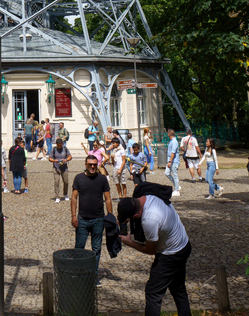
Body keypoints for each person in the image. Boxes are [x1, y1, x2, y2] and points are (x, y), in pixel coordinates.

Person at [118, 186, 191, 316]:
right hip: (183, 244)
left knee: (153, 292)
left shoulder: (150, 219)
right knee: (178, 289)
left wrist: (130, 242)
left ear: (136, 215)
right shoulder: (148, 196)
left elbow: (150, 250)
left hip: (171, 254)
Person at [71, 155, 112, 282]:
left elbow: (108, 198)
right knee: (79, 247)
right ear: (86, 165)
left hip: (98, 219)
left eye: (95, 164)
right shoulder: (79, 178)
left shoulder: (102, 179)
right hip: (82, 219)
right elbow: (74, 198)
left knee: (96, 248)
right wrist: (73, 216)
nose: (93, 166)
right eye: (90, 164)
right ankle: (77, 274)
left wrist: (110, 216)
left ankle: (94, 275)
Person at [49, 137, 72, 202]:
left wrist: (66, 160)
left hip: (64, 168)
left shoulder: (65, 149)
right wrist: (54, 160)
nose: (59, 146)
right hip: (56, 168)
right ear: (56, 144)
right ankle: (57, 196)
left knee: (66, 181)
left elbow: (70, 156)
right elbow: (50, 158)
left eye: (60, 145)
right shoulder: (54, 149)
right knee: (56, 181)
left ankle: (65, 194)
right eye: (58, 145)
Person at [165, 130, 181, 197]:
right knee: (167, 173)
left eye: (168, 133)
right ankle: (177, 185)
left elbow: (173, 152)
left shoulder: (174, 142)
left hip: (174, 161)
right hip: (170, 160)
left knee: (175, 175)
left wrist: (170, 161)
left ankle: (177, 190)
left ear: (170, 134)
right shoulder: (171, 141)